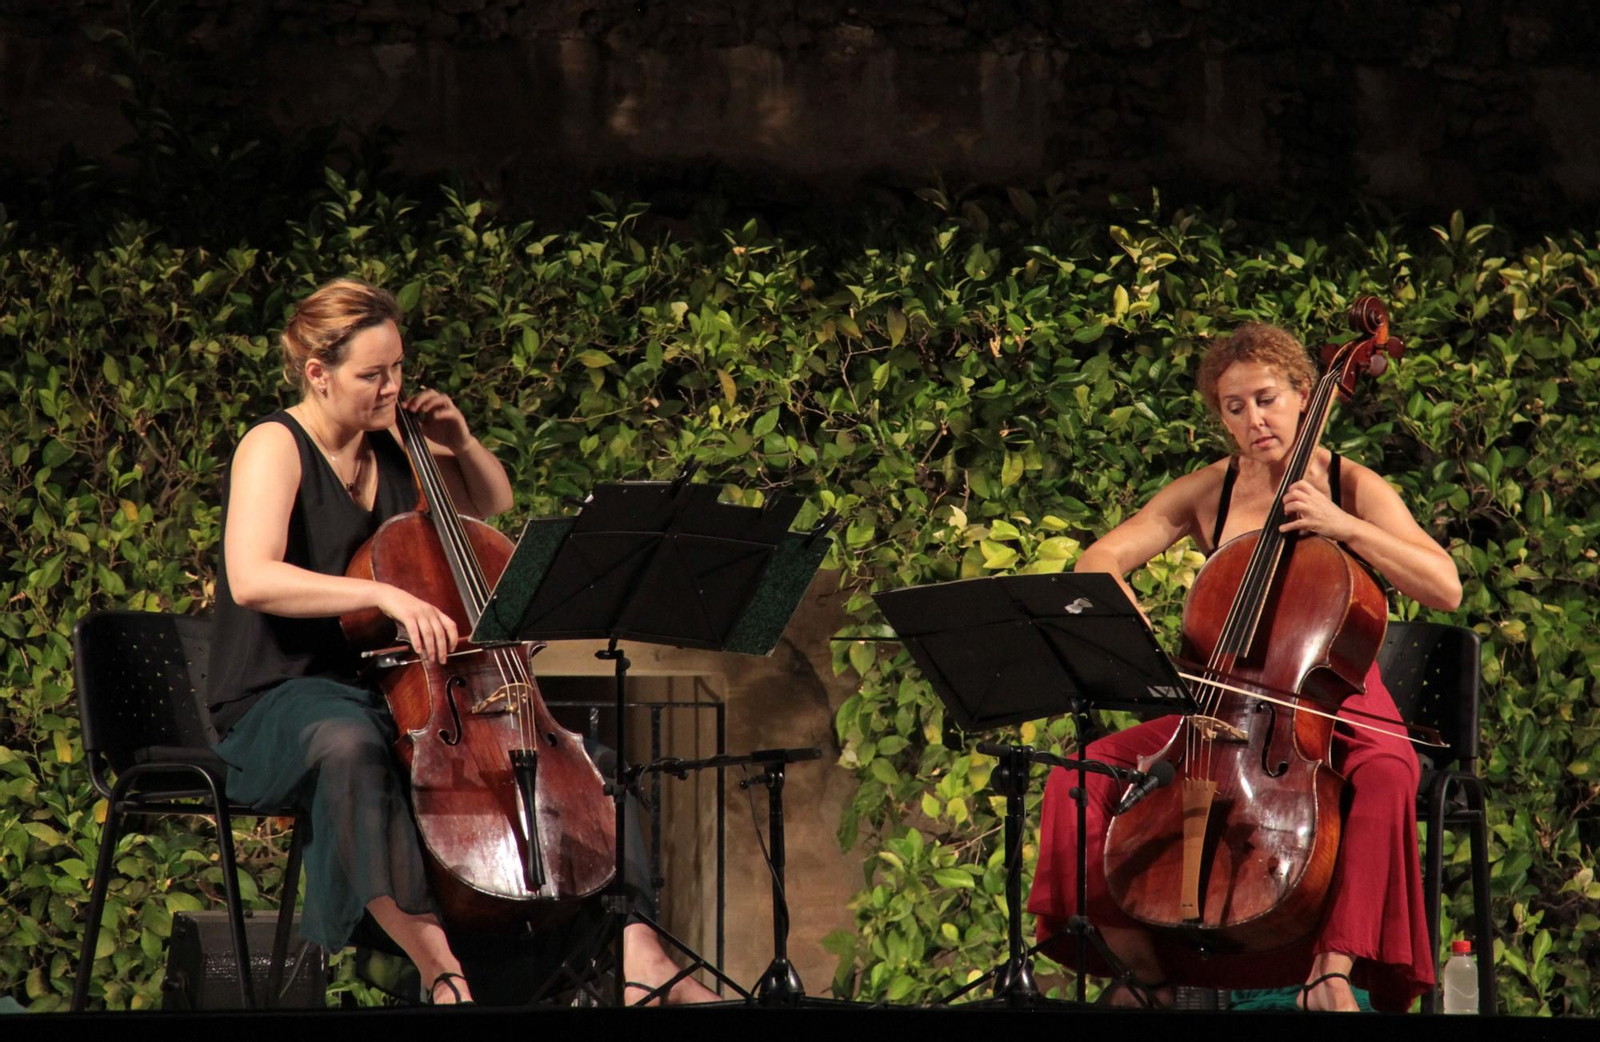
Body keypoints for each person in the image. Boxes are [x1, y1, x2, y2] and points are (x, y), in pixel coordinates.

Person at [208, 277, 717, 1005]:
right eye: (371, 375)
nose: (392, 388)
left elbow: (490, 504)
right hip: (280, 697)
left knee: (590, 768)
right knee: (348, 746)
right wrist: (381, 593)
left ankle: (643, 958)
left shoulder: (393, 444)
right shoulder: (275, 445)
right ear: (317, 373)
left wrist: (462, 441)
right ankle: (438, 967)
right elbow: (252, 576)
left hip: (388, 693)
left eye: (398, 369)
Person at [1026, 322, 1462, 1013]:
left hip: (1334, 699)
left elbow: (1445, 586)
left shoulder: (1352, 485)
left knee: (1389, 776)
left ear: (1300, 394)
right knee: (1079, 777)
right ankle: (1144, 974)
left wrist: (1344, 526)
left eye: (1265, 398)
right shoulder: (1211, 491)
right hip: (1224, 707)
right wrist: (1124, 605)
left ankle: (1331, 973)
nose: (1254, 419)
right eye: (1234, 407)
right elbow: (1100, 558)